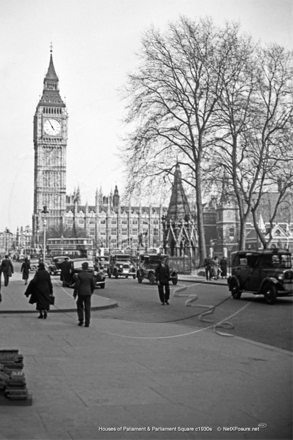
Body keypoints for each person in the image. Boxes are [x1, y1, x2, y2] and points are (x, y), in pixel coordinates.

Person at [73, 262, 95, 327]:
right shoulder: (91, 275)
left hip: (81, 292)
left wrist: (75, 293)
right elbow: (93, 284)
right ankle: (87, 322)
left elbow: (77, 285)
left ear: (82, 267)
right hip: (88, 292)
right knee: (87, 307)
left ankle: (81, 320)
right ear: (87, 267)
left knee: (79, 305)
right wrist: (91, 291)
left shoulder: (80, 275)